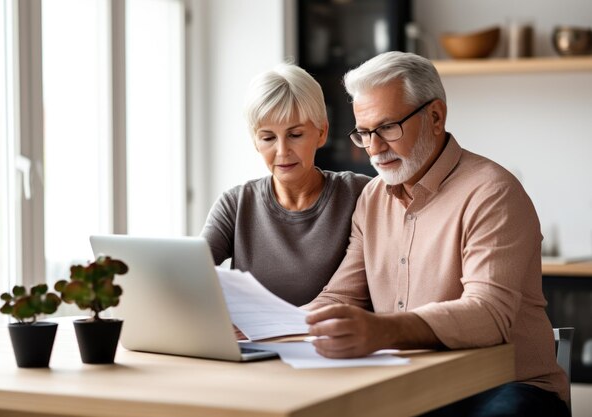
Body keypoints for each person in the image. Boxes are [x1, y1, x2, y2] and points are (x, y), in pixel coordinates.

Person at [303, 51, 570, 417]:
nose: (375, 149)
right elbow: (340, 296)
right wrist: (266, 328)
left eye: (387, 128)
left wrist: (383, 331)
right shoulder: (372, 198)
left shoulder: (492, 192)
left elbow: (488, 314)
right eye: (364, 133)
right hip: (413, 386)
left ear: (435, 116)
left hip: (507, 389)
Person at [201, 63, 371, 306]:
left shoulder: (359, 194)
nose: (282, 151)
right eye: (268, 138)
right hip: (253, 344)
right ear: (255, 141)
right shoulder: (235, 204)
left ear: (322, 132)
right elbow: (193, 274)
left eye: (295, 135)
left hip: (331, 342)